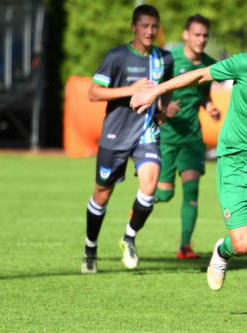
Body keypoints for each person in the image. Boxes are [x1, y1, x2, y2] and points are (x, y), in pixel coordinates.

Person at [130, 14, 247, 320]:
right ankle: (223, 252)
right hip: (235, 160)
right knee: (243, 243)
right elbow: (199, 75)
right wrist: (155, 91)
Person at [81, 4, 174, 273]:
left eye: (154, 26)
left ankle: (129, 237)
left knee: (150, 184)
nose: (150, 31)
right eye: (145, 26)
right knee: (102, 194)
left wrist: (162, 109)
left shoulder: (164, 58)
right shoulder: (117, 56)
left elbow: (166, 87)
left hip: (146, 133)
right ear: (134, 27)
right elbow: (94, 93)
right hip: (116, 134)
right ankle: (90, 248)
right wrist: (130, 90)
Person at [155, 14, 220, 260]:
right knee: (164, 195)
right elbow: (154, 91)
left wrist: (210, 107)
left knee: (191, 192)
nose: (201, 39)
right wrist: (163, 109)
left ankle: (185, 247)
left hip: (192, 138)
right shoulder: (171, 61)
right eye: (197, 34)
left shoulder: (209, 65)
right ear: (186, 35)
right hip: (168, 137)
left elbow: (203, 95)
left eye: (205, 35)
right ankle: (138, 210)